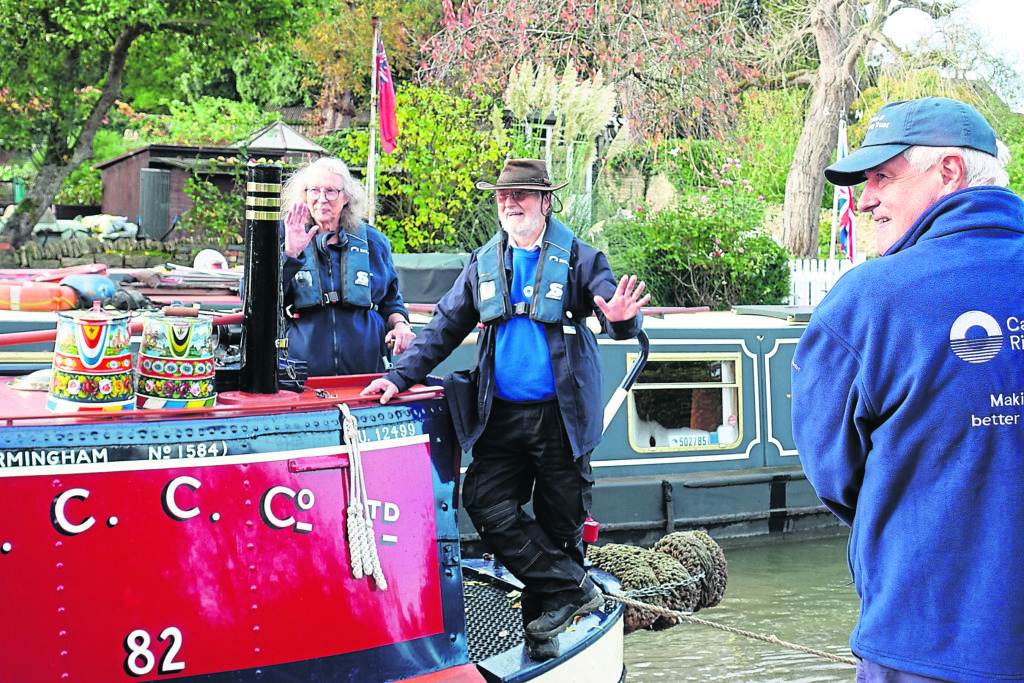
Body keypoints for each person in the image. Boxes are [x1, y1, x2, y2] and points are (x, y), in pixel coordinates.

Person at [361, 158, 649, 659]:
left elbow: (614, 311)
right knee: (484, 501)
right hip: (503, 416)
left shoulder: (581, 260)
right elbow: (443, 328)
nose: (510, 204)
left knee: (560, 525)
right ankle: (574, 589)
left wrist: (624, 321)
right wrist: (397, 376)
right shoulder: (483, 263)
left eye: (521, 195)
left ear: (545, 201)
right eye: (502, 197)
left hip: (562, 417)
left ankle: (544, 639)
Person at [791, 97, 1024, 682]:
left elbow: (835, 477)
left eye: (883, 177)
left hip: (925, 644)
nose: (865, 198)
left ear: (949, 171)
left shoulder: (870, 302)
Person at [280, 157, 415, 376]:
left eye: (331, 191)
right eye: (314, 190)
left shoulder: (373, 241)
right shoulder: (282, 235)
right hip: (300, 376)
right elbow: (253, 299)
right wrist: (290, 255)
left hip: (366, 373)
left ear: (346, 198)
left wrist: (401, 325)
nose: (321, 199)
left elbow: (391, 301)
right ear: (304, 195)